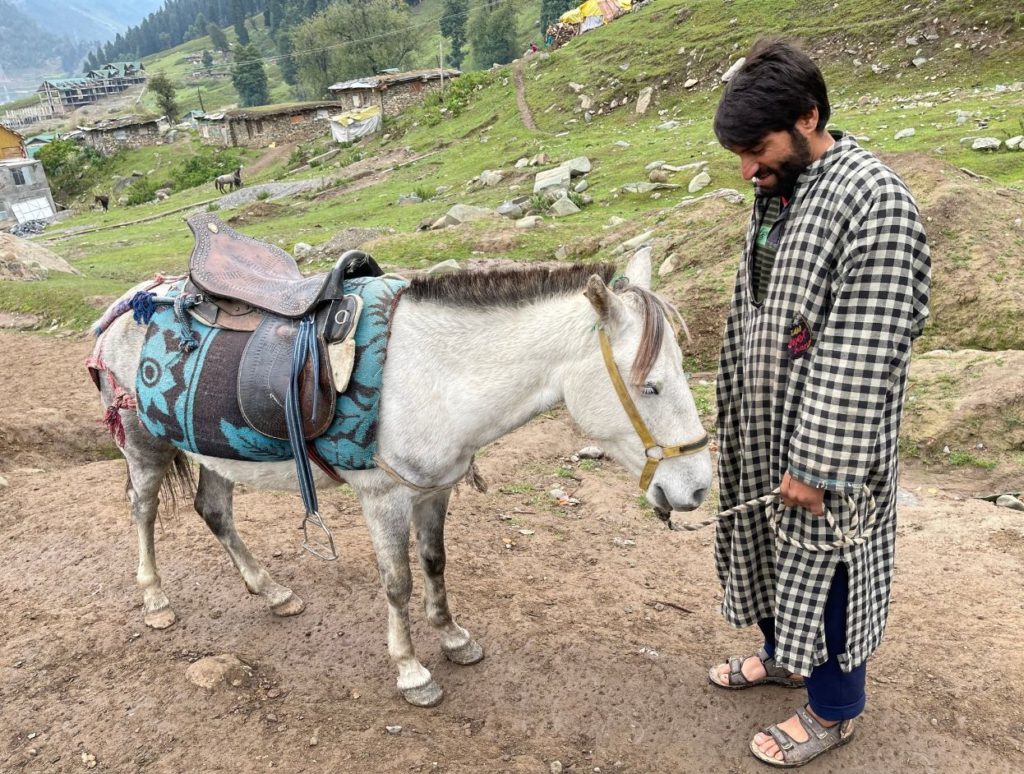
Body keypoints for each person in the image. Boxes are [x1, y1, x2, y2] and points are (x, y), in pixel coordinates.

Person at [708, 38, 931, 767]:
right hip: (766, 420)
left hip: (827, 444)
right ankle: (784, 656)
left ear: (809, 118)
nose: (746, 169)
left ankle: (835, 710)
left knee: (830, 560)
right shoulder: (780, 187)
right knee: (774, 552)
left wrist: (816, 466)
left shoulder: (876, 203)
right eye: (738, 153)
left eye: (758, 148)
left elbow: (863, 357)